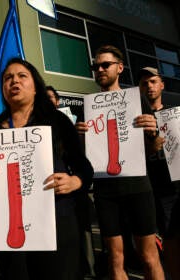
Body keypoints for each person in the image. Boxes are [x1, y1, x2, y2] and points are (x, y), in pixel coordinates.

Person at [0, 57, 94, 280]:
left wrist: (75, 181)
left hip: (56, 226)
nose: (14, 81)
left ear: (35, 87)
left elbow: (83, 166)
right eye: (8, 78)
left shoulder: (57, 121)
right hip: (9, 233)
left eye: (21, 76)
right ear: (3, 90)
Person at [75, 45, 165, 279]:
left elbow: (153, 148)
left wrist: (153, 132)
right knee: (116, 259)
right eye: (96, 66)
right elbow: (83, 157)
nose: (100, 69)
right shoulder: (88, 107)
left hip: (137, 187)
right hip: (106, 192)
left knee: (149, 257)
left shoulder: (137, 100)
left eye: (106, 65)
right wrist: (79, 137)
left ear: (120, 68)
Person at [138, 66, 180, 280]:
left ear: (162, 84)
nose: (149, 86)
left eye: (153, 81)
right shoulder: (135, 120)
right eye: (144, 83)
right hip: (146, 190)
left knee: (173, 244)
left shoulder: (175, 114)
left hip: (172, 190)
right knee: (149, 254)